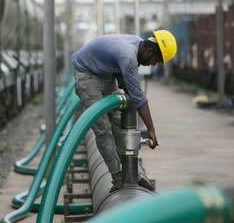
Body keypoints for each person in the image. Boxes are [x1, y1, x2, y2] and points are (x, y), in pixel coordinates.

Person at [71, 29, 177, 192]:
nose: (152, 64)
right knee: (103, 129)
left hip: (105, 74)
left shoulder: (136, 44)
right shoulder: (128, 56)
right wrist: (151, 129)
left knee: (118, 123)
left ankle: (131, 172)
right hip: (87, 74)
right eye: (155, 59)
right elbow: (138, 97)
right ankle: (118, 177)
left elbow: (128, 85)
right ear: (149, 50)